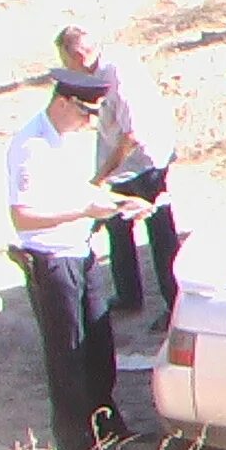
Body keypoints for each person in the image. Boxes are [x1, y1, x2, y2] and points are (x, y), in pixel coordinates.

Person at [6, 67, 149, 450]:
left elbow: (82, 189)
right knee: (68, 353)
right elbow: (24, 217)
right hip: (52, 259)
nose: (90, 121)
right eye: (85, 112)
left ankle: (107, 429)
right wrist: (84, 210)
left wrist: (120, 204)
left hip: (81, 252)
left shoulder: (69, 139)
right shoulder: (31, 145)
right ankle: (75, 446)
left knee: (98, 347)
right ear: (64, 101)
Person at [53, 26, 180, 320]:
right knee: (116, 224)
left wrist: (102, 176)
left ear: (79, 55)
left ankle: (174, 306)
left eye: (66, 60)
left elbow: (132, 135)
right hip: (122, 163)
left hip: (146, 161)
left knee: (160, 234)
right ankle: (128, 295)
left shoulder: (118, 74)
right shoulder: (97, 72)